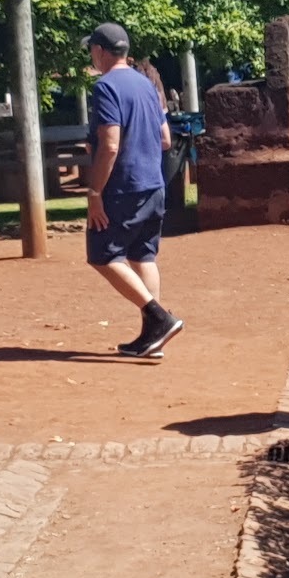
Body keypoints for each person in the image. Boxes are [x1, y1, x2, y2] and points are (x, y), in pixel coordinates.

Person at [83, 22, 183, 358]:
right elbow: (166, 139)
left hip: (122, 188)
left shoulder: (105, 87)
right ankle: (152, 338)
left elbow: (109, 145)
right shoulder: (145, 85)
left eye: (91, 51)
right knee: (143, 255)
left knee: (102, 255)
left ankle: (159, 318)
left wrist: (95, 193)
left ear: (100, 51)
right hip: (153, 184)